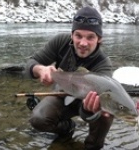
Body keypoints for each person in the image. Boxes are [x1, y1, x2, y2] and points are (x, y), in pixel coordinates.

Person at [25, 6, 114, 150]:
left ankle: (93, 145)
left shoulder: (103, 64)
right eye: (78, 35)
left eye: (90, 37)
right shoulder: (61, 42)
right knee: (38, 119)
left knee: (106, 113)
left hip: (84, 102)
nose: (83, 43)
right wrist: (40, 70)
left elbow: (88, 115)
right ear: (72, 35)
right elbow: (30, 64)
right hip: (62, 93)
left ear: (99, 39)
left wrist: (88, 110)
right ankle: (66, 128)